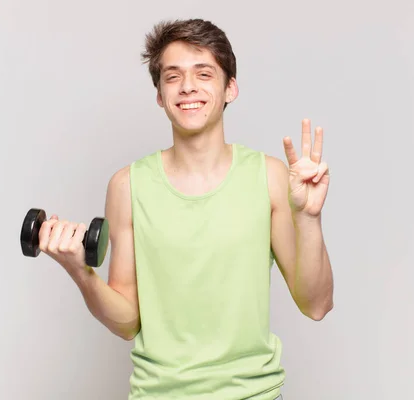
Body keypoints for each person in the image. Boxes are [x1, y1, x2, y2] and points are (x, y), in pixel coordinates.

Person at [38, 18, 334, 400]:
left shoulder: (270, 176)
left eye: (204, 73)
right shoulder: (128, 186)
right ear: (160, 95)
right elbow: (127, 321)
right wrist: (81, 272)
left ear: (230, 88)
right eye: (173, 76)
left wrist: (309, 219)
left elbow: (317, 304)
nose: (188, 86)